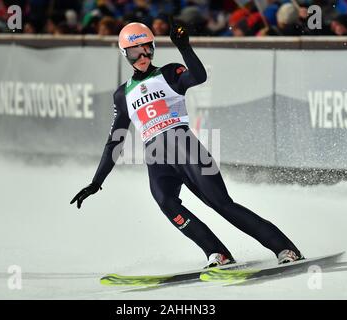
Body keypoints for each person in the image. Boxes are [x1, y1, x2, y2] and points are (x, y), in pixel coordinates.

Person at [70, 18, 304, 268]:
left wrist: (184, 47)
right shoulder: (122, 94)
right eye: (134, 52)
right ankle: (217, 253)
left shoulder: (170, 72)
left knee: (221, 204)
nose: (142, 55)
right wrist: (97, 182)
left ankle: (285, 248)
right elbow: (114, 141)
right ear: (124, 54)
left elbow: (199, 77)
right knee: (166, 204)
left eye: (147, 48)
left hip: (186, 147)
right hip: (157, 158)